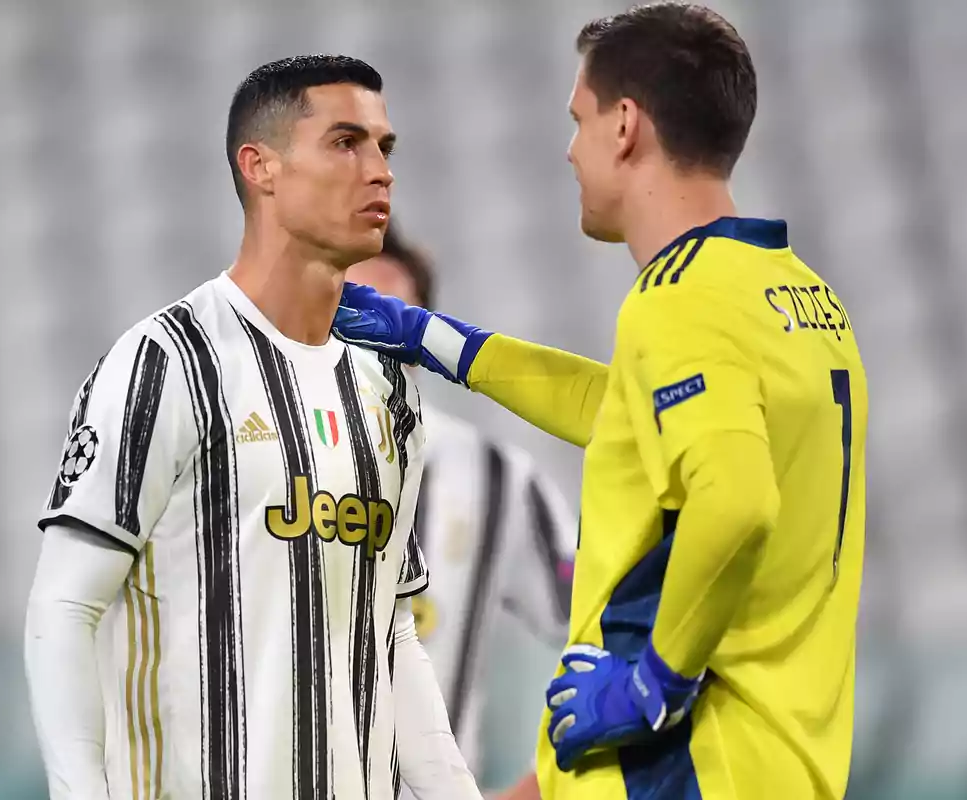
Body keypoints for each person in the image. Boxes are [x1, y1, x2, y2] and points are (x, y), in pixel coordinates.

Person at [331, 3, 869, 799]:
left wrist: (655, 682)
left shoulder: (679, 302)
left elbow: (737, 500)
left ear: (626, 126)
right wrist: (439, 341)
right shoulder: (796, 293)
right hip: (780, 760)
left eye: (579, 120)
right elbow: (629, 417)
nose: (570, 150)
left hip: (689, 767)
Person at [24, 55, 482, 800]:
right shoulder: (166, 361)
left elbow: (390, 634)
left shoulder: (388, 387)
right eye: (345, 142)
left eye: (384, 147)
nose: (379, 171)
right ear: (259, 166)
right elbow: (65, 606)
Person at [346, 224, 578, 800]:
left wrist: (539, 786)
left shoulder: (496, 477)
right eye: (346, 317)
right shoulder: (238, 466)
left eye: (391, 322)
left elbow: (618, 635)